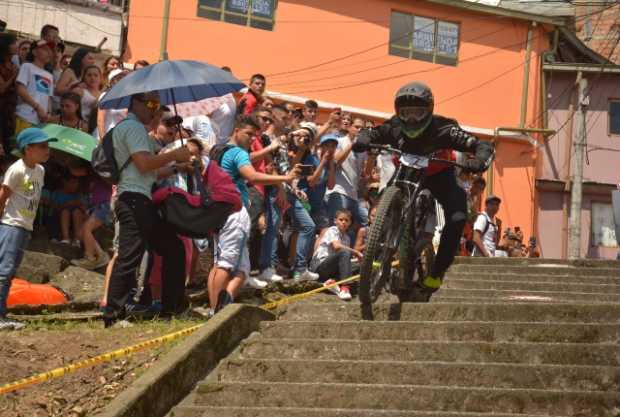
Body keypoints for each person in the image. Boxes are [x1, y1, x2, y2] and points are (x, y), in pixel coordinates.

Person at [355, 81, 494, 297]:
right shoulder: (394, 126)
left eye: (417, 113)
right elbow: (371, 133)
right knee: (383, 201)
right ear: (398, 113)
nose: (411, 119)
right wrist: (363, 139)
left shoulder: (445, 128)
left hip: (440, 176)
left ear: (429, 110)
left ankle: (436, 272)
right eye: (406, 113)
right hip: (407, 173)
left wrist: (480, 161)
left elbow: (482, 145)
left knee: (458, 218)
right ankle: (379, 250)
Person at [103, 91, 192, 327]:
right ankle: (113, 314)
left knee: (172, 248)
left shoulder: (135, 129)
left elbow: (150, 172)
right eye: (151, 103)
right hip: (133, 199)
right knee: (129, 256)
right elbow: (144, 164)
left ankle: (171, 307)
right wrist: (174, 154)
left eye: (157, 104)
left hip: (140, 198)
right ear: (136, 102)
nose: (154, 109)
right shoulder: (133, 128)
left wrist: (177, 167)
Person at [208, 115, 300, 312]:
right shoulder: (238, 153)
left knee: (236, 268)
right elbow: (252, 175)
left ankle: (220, 306)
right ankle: (215, 311)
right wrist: (286, 177)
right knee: (225, 265)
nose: (252, 139)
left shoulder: (220, 150)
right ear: (236, 131)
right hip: (234, 212)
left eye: (254, 135)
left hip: (219, 211)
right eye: (249, 134)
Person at [0, 128, 56, 330]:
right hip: (11, 225)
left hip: (25, 226)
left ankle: (2, 314)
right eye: (42, 146)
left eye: (48, 146)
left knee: (10, 271)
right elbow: (3, 196)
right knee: (4, 272)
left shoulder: (40, 170)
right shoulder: (16, 169)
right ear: (28, 149)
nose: (47, 150)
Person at [326, 116, 368, 240]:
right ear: (349, 127)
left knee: (366, 222)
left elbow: (366, 174)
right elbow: (336, 161)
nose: (359, 130)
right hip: (339, 191)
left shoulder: (363, 150)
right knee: (335, 227)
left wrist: (371, 156)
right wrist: (352, 145)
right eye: (356, 127)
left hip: (353, 195)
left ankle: (352, 254)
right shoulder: (340, 141)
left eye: (362, 128)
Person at [310, 209, 361, 301]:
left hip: (331, 268)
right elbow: (336, 246)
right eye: (341, 220)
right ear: (335, 221)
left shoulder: (347, 238)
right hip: (319, 266)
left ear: (350, 223)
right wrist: (356, 252)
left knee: (358, 265)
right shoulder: (332, 230)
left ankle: (332, 282)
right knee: (345, 252)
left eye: (346, 220)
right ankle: (345, 287)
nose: (343, 222)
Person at [15, 40, 55, 133]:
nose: (49, 52)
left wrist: (48, 113)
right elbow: (20, 90)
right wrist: (38, 108)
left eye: (51, 50)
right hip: (25, 116)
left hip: (41, 121)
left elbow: (49, 98)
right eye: (45, 49)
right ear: (34, 52)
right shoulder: (27, 66)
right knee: (23, 147)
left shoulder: (50, 76)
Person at [0, 33, 18, 154]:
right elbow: (1, 89)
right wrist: (13, 76)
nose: (16, 45)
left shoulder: (13, 65)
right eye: (13, 43)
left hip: (10, 111)